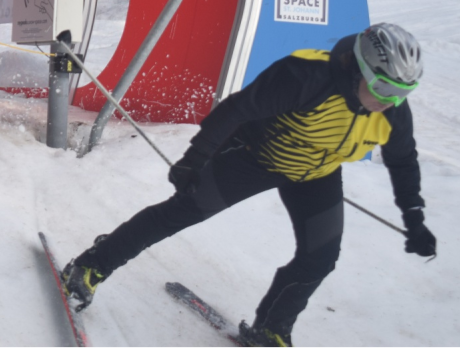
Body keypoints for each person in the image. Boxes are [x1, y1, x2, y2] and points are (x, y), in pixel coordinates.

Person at [60, 23, 437, 348]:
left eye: (403, 93)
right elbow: (237, 109)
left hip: (317, 174)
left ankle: (272, 329)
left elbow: (403, 162)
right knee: (181, 211)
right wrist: (195, 160)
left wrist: (414, 218)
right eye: (384, 88)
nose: (391, 101)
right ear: (357, 69)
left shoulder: (392, 113)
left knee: (321, 257)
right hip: (256, 157)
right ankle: (91, 266)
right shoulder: (306, 77)